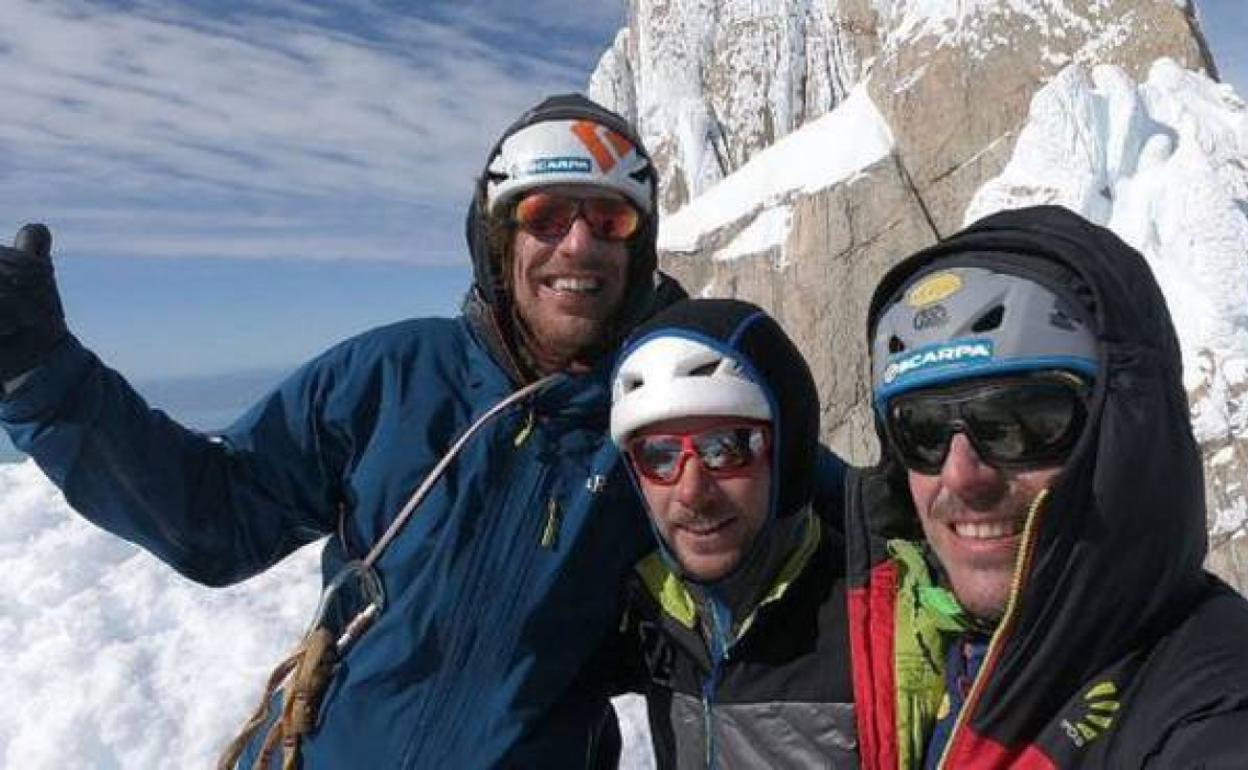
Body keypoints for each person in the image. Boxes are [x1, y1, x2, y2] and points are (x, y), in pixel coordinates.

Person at [0, 93, 686, 768]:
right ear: (499, 239)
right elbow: (216, 518)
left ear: (640, 245)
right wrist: (41, 377)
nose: (578, 243)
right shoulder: (391, 378)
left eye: (610, 218)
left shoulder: (667, 430)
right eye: (545, 215)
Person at [848, 204, 1248, 769]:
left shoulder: (1209, 706)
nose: (961, 475)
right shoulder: (930, 652)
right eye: (923, 431)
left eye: (1023, 422)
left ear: (1121, 437)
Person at [606, 298, 857, 768]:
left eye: (728, 448)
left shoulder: (877, 621)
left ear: (787, 451)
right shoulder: (646, 603)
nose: (692, 491)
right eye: (657, 456)